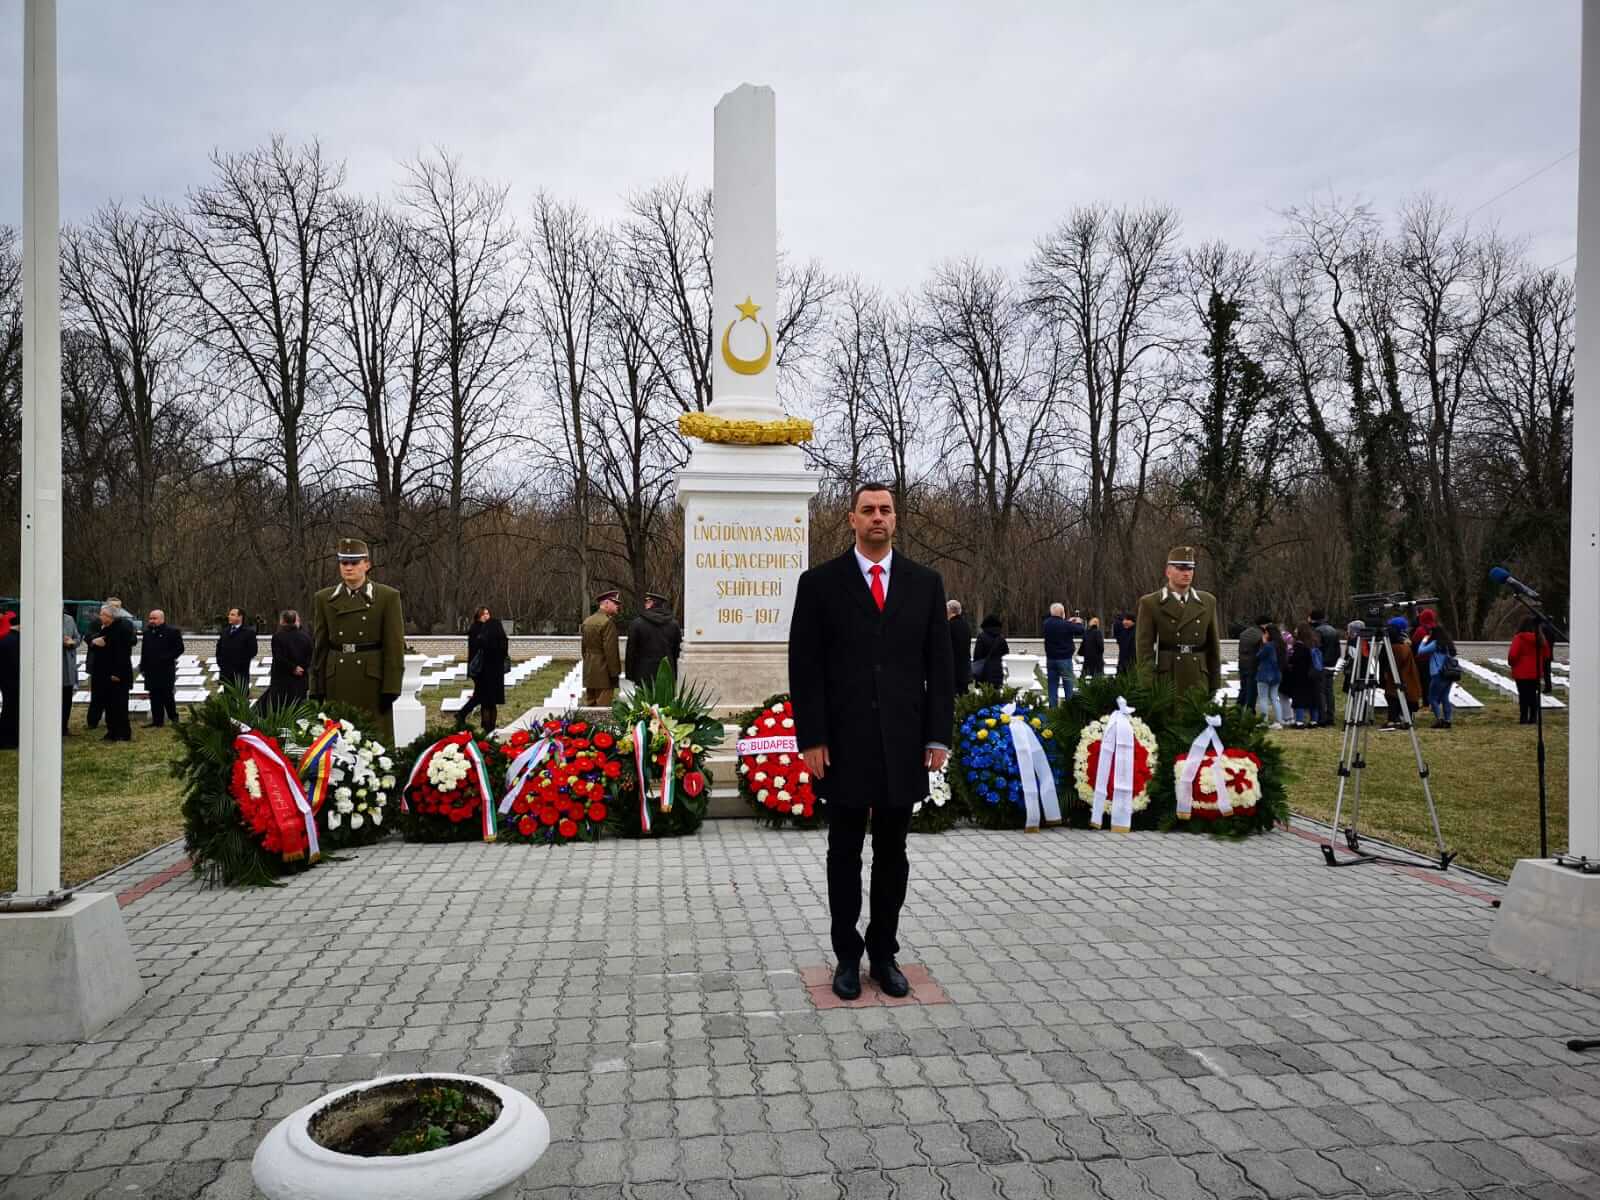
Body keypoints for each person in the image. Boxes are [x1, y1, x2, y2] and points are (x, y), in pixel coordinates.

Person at [788, 482, 954, 1002]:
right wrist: (811, 737)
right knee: (844, 852)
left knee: (893, 852)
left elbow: (940, 667)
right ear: (852, 520)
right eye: (868, 510)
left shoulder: (925, 584)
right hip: (844, 742)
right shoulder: (819, 584)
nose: (877, 517)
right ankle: (846, 956)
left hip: (904, 741)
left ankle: (884, 955)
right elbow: (805, 665)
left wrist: (937, 735)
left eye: (885, 509)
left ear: (895, 519)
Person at [310, 538, 406, 742]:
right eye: (344, 563)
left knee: (373, 743)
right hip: (337, 678)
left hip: (371, 681)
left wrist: (392, 687)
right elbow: (320, 646)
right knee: (337, 743)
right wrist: (316, 687)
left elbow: (394, 646)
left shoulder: (386, 597)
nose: (349, 567)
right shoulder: (324, 599)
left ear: (367, 565)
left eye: (354, 562)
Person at [1134, 547, 1222, 697]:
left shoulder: (1208, 601)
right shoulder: (1151, 603)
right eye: (1180, 569)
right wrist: (1147, 685)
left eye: (1190, 569)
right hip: (1167, 677)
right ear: (1168, 571)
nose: (1186, 573)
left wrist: (1214, 682)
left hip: (1198, 676)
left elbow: (1213, 646)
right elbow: (1144, 650)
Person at [90, 603, 136, 741]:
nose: (100, 616)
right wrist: (94, 643)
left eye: (102, 614)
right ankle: (112, 731)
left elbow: (121, 653)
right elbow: (98, 645)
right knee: (109, 705)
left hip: (117, 674)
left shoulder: (122, 628)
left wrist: (117, 673)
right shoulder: (107, 628)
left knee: (119, 705)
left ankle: (123, 733)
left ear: (110, 616)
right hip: (104, 673)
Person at [459, 606, 509, 732]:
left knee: (484, 698)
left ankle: (469, 717)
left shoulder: (491, 628)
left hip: (489, 669)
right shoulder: (477, 629)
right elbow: (477, 650)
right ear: (478, 616)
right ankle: (480, 723)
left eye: (488, 613)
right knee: (482, 697)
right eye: (483, 614)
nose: (486, 616)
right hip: (481, 670)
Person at [625, 591, 682, 690]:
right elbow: (677, 651)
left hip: (643, 672)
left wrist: (630, 674)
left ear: (652, 603)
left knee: (644, 704)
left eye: (647, 602)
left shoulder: (637, 623)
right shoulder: (674, 624)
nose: (645, 604)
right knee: (666, 704)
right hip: (667, 671)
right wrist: (675, 673)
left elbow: (631, 651)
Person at [138, 609, 185, 727]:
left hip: (165, 669)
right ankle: (157, 721)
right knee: (154, 695)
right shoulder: (147, 633)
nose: (152, 621)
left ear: (162, 619)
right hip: (150, 670)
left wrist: (165, 658)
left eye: (154, 618)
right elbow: (144, 651)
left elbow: (179, 649)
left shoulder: (172, 631)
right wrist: (142, 666)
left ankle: (173, 718)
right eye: (150, 618)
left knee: (167, 695)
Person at [1378, 616, 1423, 730]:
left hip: (1398, 675)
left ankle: (1395, 719)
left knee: (1393, 696)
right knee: (1398, 695)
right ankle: (1402, 718)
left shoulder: (1397, 646)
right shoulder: (1405, 643)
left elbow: (1388, 661)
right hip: (1405, 674)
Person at [262, 610, 312, 710]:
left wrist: (292, 668)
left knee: (280, 709)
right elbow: (309, 656)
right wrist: (300, 668)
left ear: (282, 621)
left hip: (282, 681)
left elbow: (278, 657)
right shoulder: (306, 637)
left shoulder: (278, 636)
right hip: (300, 680)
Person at [1509, 615, 1552, 725]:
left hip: (1521, 672)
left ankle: (1523, 718)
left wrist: (1512, 663)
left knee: (1523, 696)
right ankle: (1533, 718)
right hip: (1535, 672)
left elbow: (1513, 655)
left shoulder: (1519, 638)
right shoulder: (1541, 639)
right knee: (1533, 695)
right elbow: (1547, 655)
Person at [581, 590, 622, 706]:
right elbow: (611, 651)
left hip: (589, 669)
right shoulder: (607, 623)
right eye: (615, 603)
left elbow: (583, 649)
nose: (617, 606)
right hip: (604, 671)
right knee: (603, 708)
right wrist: (614, 673)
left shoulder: (587, 621)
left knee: (590, 705)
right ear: (607, 603)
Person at [1415, 622, 1458, 730]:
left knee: (1432, 698)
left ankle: (1439, 719)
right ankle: (1448, 720)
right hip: (1449, 673)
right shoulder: (1448, 644)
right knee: (1444, 697)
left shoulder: (1435, 643)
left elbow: (1420, 651)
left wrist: (1424, 640)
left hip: (1437, 674)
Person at [1040, 603, 1084, 706]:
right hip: (1064, 659)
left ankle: (1053, 711)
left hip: (1051, 660)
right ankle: (1069, 711)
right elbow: (1080, 631)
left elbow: (1058, 625)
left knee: (1052, 687)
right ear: (1062, 613)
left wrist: (1068, 622)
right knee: (1068, 686)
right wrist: (1078, 622)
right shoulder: (1066, 625)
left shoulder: (1046, 624)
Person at [1286, 622, 1322, 728]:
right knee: (1313, 698)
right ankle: (1314, 721)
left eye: (1297, 630)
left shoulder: (1299, 645)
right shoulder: (1314, 642)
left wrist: (1289, 659)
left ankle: (1300, 721)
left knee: (1299, 699)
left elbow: (1294, 660)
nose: (1295, 631)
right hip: (1313, 674)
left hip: (1300, 676)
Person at [215, 607, 258, 694]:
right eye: (229, 614)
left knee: (241, 699)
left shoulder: (249, 633)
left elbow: (253, 651)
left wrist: (239, 663)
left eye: (232, 615)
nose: (229, 617)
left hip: (240, 673)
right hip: (226, 672)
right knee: (228, 699)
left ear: (240, 617)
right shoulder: (225, 632)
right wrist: (220, 663)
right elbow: (219, 649)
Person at [1311, 609, 1341, 727]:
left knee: (1320, 692)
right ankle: (1330, 716)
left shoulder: (1317, 631)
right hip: (1331, 665)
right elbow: (1338, 650)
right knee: (1330, 692)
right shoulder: (1333, 630)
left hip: (1321, 665)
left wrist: (1317, 663)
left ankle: (1321, 718)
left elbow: (1316, 649)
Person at [1255, 623, 1285, 730]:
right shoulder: (1281, 644)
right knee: (1274, 698)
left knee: (1263, 698)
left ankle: (1264, 721)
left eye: (1266, 632)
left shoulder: (1268, 646)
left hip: (1265, 674)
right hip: (1277, 674)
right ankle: (1279, 721)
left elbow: (1258, 656)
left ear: (1269, 633)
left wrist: (1263, 643)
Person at [971, 614, 1008, 688]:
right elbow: (1006, 653)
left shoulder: (981, 637)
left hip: (984, 670)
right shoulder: (1001, 638)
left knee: (984, 694)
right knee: (996, 693)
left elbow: (977, 655)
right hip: (998, 669)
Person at [1237, 617, 1264, 714]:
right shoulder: (1260, 635)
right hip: (1253, 666)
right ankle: (1250, 712)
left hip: (1242, 664)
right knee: (1252, 691)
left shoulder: (1244, 633)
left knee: (1243, 689)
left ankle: (1237, 710)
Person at [0, 611, 18, 749]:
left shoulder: (5, 638)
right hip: (14, 679)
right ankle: (10, 739)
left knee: (8, 707)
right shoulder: (15, 639)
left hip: (5, 679)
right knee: (12, 709)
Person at [947, 600, 973, 693]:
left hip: (952, 669)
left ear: (949, 611)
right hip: (964, 669)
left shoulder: (948, 626)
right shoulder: (966, 625)